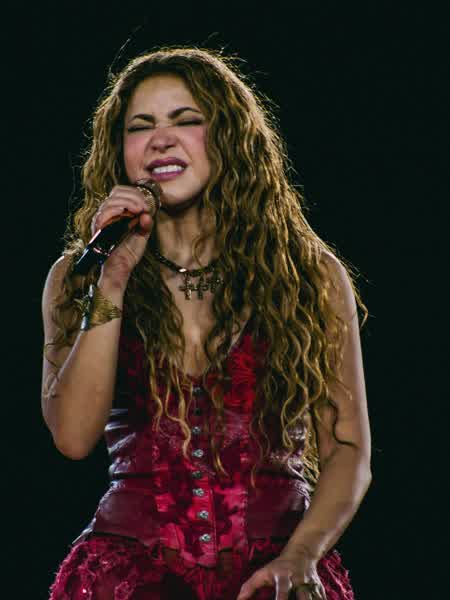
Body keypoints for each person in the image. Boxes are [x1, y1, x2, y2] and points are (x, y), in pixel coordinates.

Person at [42, 46, 372, 600]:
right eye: (140, 126)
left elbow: (346, 448)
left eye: (185, 120)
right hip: (127, 580)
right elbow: (74, 437)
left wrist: (301, 555)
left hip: (276, 572)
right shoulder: (80, 277)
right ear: (120, 150)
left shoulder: (308, 275)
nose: (160, 139)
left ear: (227, 138)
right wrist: (113, 280)